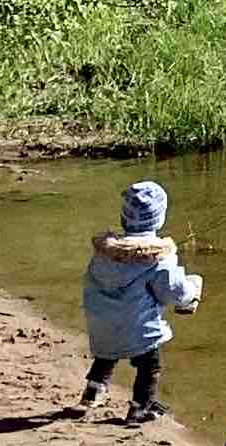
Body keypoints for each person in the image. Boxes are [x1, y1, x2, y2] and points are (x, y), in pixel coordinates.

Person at [78, 180, 204, 422]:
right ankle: (141, 407)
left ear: (124, 217)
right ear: (159, 219)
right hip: (140, 330)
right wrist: (191, 292)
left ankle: (92, 393)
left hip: (100, 324)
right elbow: (174, 293)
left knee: (107, 354)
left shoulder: (104, 253)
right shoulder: (158, 259)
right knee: (150, 365)